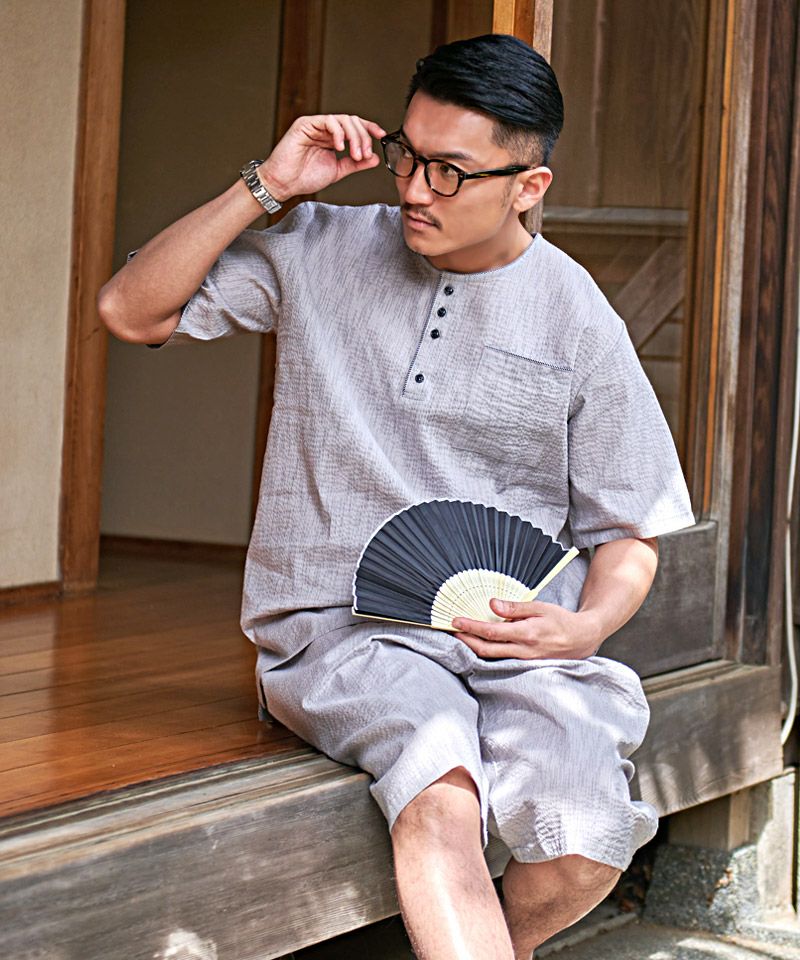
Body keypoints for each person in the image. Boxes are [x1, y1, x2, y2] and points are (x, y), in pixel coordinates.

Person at [98, 33, 695, 960]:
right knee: (442, 790)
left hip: (510, 639)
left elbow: (630, 527)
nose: (416, 189)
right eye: (406, 156)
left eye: (449, 171)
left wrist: (586, 627)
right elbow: (130, 310)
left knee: (583, 844)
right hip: (339, 626)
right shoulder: (324, 248)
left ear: (528, 186)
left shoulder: (577, 314)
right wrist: (267, 186)